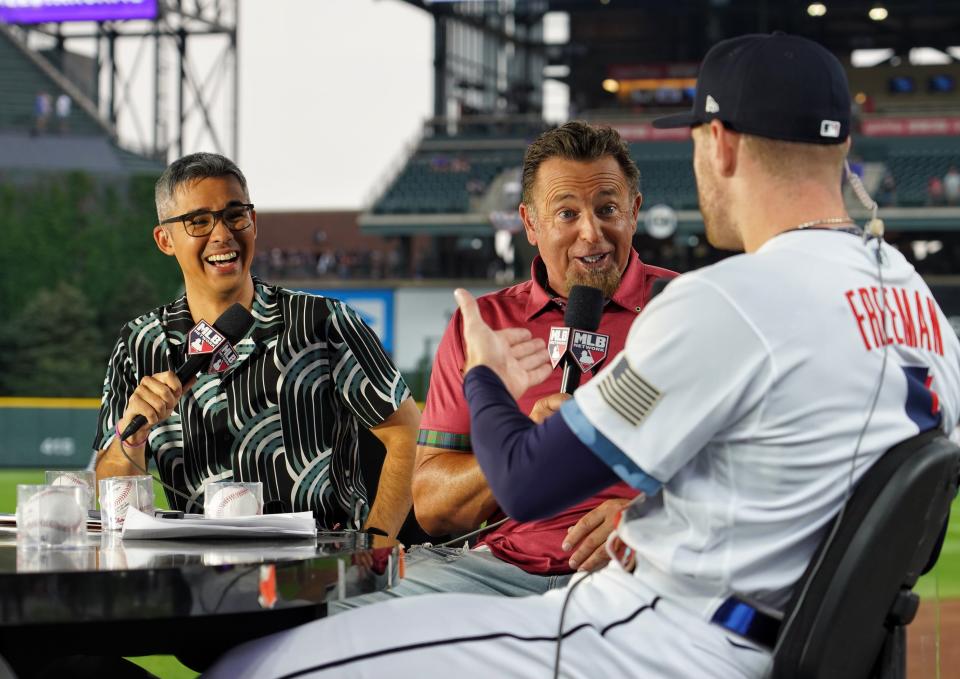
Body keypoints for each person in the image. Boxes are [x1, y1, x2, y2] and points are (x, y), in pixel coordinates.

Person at [207, 34, 960, 678]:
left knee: (253, 666)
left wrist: (485, 377)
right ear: (843, 147)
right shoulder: (922, 308)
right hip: (771, 638)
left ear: (718, 142)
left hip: (648, 636)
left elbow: (531, 481)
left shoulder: (727, 300)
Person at [332, 121, 676, 613]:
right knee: (339, 611)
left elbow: (749, 475)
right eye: (567, 213)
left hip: (640, 568)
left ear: (635, 212)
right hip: (499, 573)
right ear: (530, 224)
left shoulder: (688, 308)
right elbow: (432, 508)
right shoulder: (484, 326)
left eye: (608, 209)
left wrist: (651, 518)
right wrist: (525, 451)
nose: (591, 232)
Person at [93, 152, 419, 540]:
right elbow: (111, 493)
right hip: (201, 568)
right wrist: (133, 436)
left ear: (254, 222)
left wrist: (378, 541)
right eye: (198, 221)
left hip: (321, 565)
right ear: (165, 239)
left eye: (235, 215)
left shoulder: (323, 321)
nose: (222, 234)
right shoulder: (140, 343)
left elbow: (406, 431)